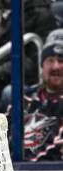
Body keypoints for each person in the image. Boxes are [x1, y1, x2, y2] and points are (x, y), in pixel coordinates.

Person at [11, 30, 63, 161]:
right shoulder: (24, 98)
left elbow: (55, 154)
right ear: (42, 66)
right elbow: (1, 136)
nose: (55, 66)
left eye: (61, 60)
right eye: (50, 60)